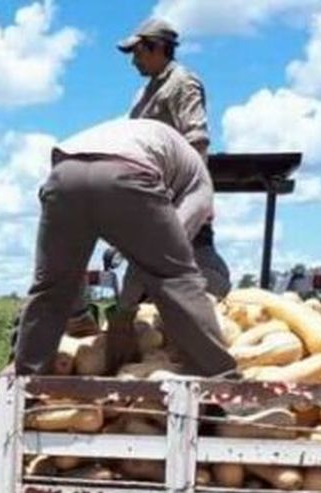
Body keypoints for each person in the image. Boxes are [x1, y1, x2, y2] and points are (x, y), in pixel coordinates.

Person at [14, 118, 236, 378]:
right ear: (209, 215)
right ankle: (223, 380)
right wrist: (124, 315)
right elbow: (154, 263)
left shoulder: (152, 140)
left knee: (51, 288)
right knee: (177, 277)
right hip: (127, 172)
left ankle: (25, 385)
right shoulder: (201, 191)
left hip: (63, 175)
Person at [118, 16, 230, 298]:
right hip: (150, 198)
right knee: (144, 279)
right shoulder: (146, 92)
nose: (134, 61)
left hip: (176, 198)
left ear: (158, 48)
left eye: (138, 53)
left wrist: (196, 196)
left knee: (200, 275)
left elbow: (197, 141)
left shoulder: (182, 82)